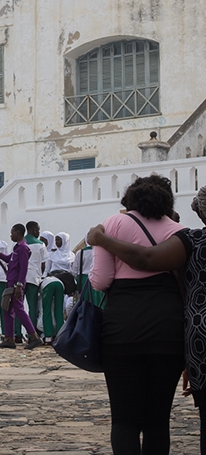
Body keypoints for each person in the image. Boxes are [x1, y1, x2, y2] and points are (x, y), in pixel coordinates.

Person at [86, 184, 206, 455]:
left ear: (130, 201)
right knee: (157, 421)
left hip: (122, 328)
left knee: (125, 420)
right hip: (168, 328)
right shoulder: (180, 232)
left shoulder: (113, 224)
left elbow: (100, 281)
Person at [0, 223, 43, 351]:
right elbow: (7, 259)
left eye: (12, 232)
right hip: (10, 282)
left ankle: (33, 336)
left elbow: (23, 268)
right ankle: (9, 338)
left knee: (19, 310)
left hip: (16, 284)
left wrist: (19, 285)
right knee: (7, 309)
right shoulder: (16, 248)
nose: (11, 235)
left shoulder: (23, 248)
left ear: (18, 232)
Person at [21, 221, 48, 342]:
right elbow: (43, 264)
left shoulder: (19, 243)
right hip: (34, 278)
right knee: (33, 307)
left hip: (21, 279)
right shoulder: (41, 244)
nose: (39, 232)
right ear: (32, 229)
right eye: (37, 229)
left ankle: (17, 334)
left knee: (19, 306)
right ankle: (32, 334)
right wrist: (40, 275)